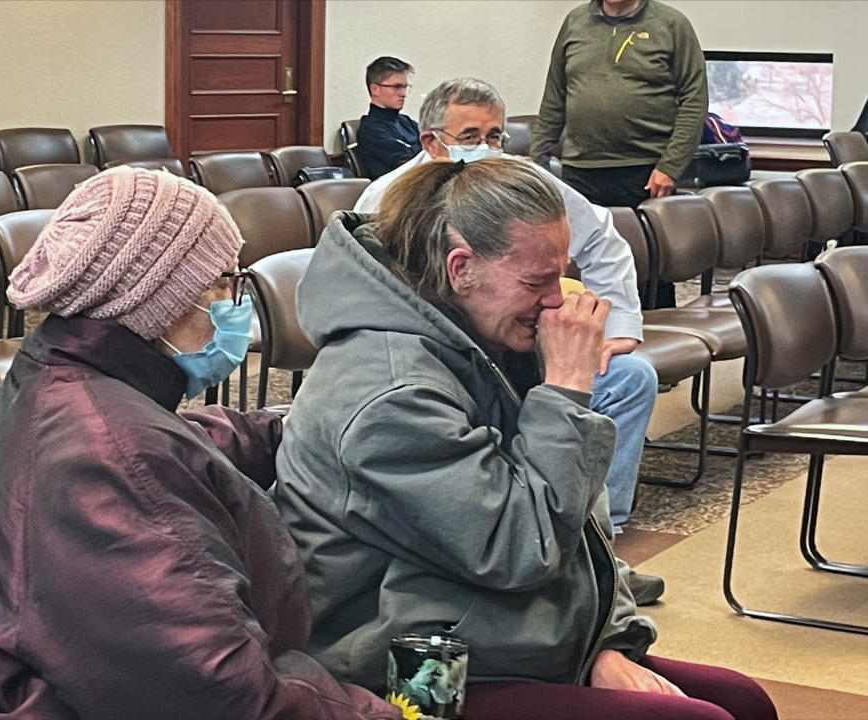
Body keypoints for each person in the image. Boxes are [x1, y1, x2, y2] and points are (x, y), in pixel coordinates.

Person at [274, 157, 777, 720]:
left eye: (562, 275)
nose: (558, 300)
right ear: (461, 268)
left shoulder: (481, 342)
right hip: (415, 665)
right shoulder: (389, 396)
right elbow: (520, 549)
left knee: (743, 700)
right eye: (537, 282)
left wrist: (606, 641)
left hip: (500, 627)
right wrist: (565, 390)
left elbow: (579, 524)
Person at [0, 167, 401, 720]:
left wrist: (301, 423)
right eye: (223, 283)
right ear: (161, 299)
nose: (234, 304)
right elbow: (226, 697)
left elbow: (175, 447)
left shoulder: (63, 372)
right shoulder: (106, 460)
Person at [354, 77, 663, 604]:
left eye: (496, 135)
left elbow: (601, 241)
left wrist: (616, 331)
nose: (486, 147)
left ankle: (600, 548)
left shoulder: (522, 183)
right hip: (450, 357)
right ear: (432, 142)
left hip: (513, 342)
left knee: (629, 377)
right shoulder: (388, 199)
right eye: (471, 134)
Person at [530, 0, 708, 307]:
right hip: (580, 169)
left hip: (646, 172)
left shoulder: (671, 24)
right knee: (580, 268)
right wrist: (537, 161)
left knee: (649, 271)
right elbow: (555, 94)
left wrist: (671, 165)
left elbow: (694, 99)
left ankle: (653, 344)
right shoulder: (575, 22)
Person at [356, 56, 421, 179]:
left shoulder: (407, 122)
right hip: (396, 193)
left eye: (405, 87)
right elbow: (410, 161)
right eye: (397, 87)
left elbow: (433, 147)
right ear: (375, 89)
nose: (403, 94)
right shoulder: (370, 130)